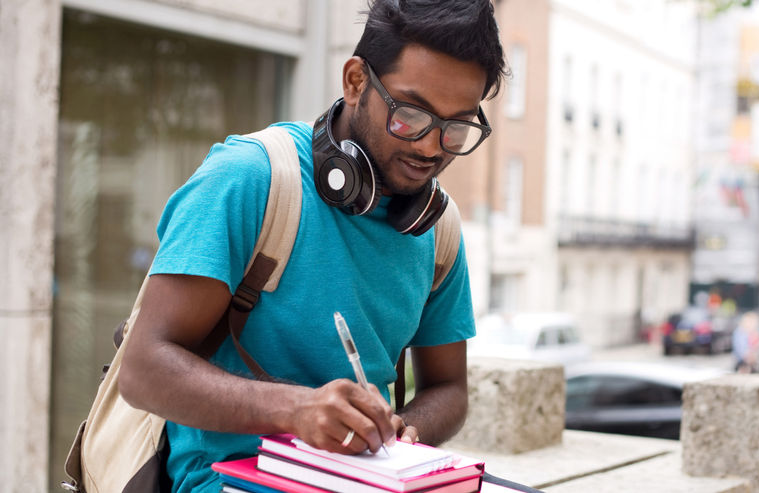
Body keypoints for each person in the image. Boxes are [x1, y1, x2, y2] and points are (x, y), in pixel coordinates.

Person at [115, 1, 505, 491]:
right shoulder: (249, 179)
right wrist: (296, 410)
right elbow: (143, 370)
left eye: (456, 127)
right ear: (356, 82)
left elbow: (449, 388)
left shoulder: (438, 225)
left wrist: (408, 430)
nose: (431, 148)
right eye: (411, 114)